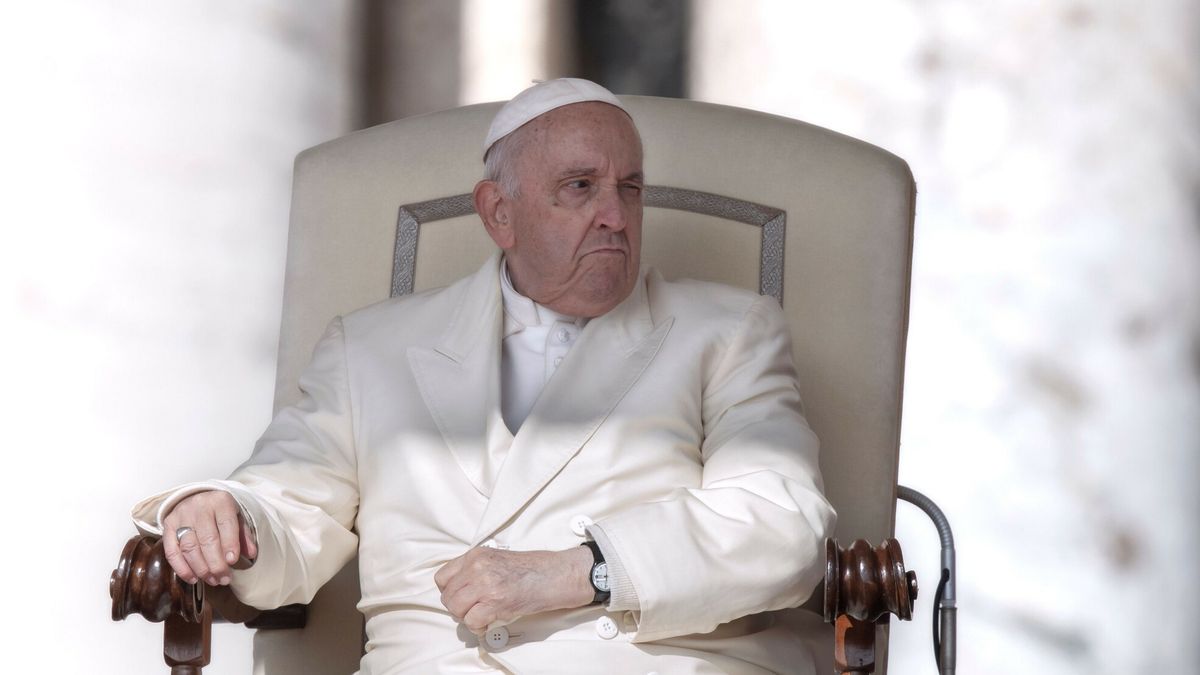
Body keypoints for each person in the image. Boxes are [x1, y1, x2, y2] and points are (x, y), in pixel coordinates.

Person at [132, 78, 835, 674]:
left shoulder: (729, 331)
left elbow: (783, 526)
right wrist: (227, 515)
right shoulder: (369, 348)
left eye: (629, 188)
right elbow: (290, 505)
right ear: (499, 213)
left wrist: (582, 572)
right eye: (580, 188)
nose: (616, 217)